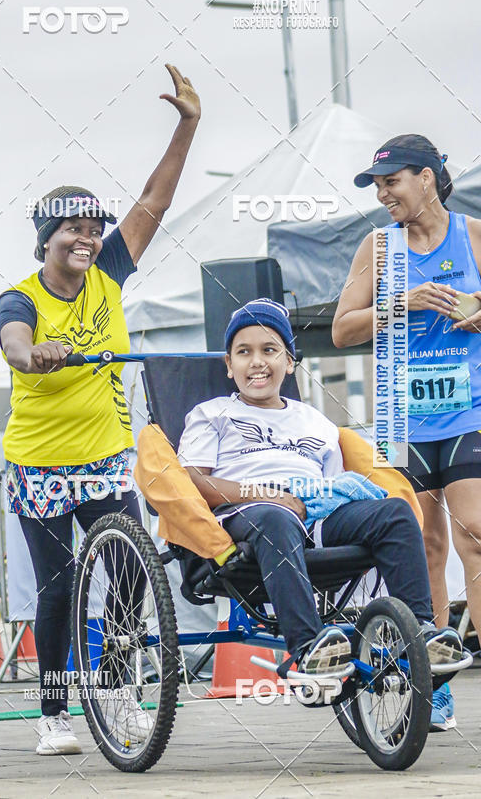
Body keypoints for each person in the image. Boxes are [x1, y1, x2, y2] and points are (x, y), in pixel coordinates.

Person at [0, 64, 200, 755]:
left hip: (106, 455)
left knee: (129, 571)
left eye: (92, 229)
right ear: (45, 239)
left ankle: (115, 692)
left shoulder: (109, 272)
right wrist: (36, 355)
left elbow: (154, 202)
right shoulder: (22, 296)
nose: (85, 239)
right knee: (58, 588)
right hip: (41, 463)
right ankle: (53, 714)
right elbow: (14, 346)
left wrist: (187, 124)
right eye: (72, 230)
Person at [177, 298, 464, 677]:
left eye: (269, 350)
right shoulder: (211, 413)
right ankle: (308, 645)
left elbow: (330, 487)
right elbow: (194, 481)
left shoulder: (315, 420)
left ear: (289, 362)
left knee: (394, 513)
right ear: (229, 365)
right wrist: (266, 494)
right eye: (244, 352)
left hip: (312, 514)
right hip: (244, 516)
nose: (257, 362)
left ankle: (420, 631)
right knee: (276, 517)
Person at [332, 133, 481, 730]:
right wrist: (406, 301)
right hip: (401, 418)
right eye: (377, 186)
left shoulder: (472, 234)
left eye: (391, 182)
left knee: (475, 537)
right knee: (425, 547)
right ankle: (434, 681)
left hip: (468, 411)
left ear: (427, 177)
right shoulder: (379, 247)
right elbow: (342, 329)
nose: (383, 195)